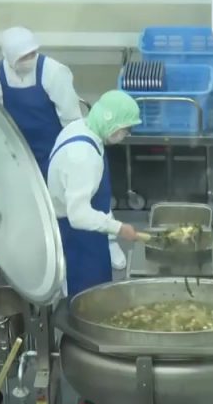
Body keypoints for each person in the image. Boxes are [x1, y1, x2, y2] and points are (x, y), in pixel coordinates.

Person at [0, 26, 129, 269]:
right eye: (22, 57)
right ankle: (48, 252)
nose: (29, 60)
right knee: (35, 206)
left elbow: (71, 117)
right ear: (9, 58)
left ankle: (109, 240)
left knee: (88, 196)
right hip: (22, 154)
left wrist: (77, 153)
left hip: (58, 149)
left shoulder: (53, 72)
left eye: (32, 53)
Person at [47, 90, 142, 298]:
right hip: (78, 234)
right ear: (112, 122)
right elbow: (79, 215)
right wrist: (118, 228)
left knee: (98, 288)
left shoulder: (81, 127)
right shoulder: (83, 156)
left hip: (90, 228)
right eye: (125, 129)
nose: (125, 135)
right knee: (88, 293)